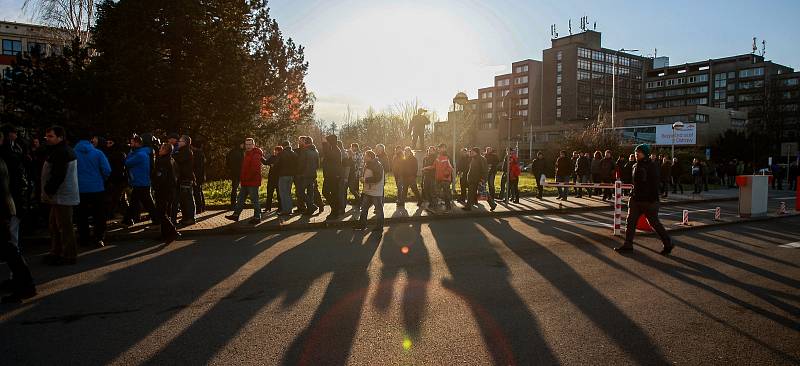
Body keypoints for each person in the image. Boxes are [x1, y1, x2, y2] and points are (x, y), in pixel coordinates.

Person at [615, 144, 673, 255]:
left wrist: (652, 198)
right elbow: (635, 182)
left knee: (654, 223)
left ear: (645, 154)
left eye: (639, 153)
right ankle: (628, 245)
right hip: (636, 199)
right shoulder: (635, 165)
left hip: (648, 201)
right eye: (636, 152)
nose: (636, 154)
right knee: (630, 222)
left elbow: (655, 183)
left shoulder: (652, 165)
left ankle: (668, 243)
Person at [0, 139, 36, 303]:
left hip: (4, 209)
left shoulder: (8, 158)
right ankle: (24, 285)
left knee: (9, 248)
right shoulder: (6, 157)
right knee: (9, 248)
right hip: (7, 207)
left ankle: (25, 286)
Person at [41, 126, 80, 266]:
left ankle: (68, 255)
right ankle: (56, 252)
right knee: (55, 225)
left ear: (60, 137)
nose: (47, 139)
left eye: (51, 136)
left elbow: (58, 175)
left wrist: (48, 189)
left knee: (64, 226)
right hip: (59, 195)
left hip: (62, 195)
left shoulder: (61, 152)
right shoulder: (59, 150)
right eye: (47, 136)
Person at [74, 134, 111, 249]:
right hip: (97, 188)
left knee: (81, 216)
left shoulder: (73, 153)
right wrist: (101, 179)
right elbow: (107, 170)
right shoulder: (98, 153)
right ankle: (99, 238)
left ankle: (84, 239)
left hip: (80, 189)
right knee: (99, 215)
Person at [122, 134, 159, 227]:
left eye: (132, 143)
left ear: (138, 143)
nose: (130, 145)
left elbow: (127, 162)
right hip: (141, 181)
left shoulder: (140, 154)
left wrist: (130, 153)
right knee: (137, 202)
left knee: (146, 203)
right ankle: (127, 220)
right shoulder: (143, 153)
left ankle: (157, 219)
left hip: (140, 182)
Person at [226, 138, 263, 224]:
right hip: (246, 182)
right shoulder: (247, 154)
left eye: (250, 144)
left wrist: (246, 178)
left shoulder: (256, 154)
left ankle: (257, 217)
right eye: (247, 144)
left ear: (253, 145)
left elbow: (255, 170)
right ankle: (236, 215)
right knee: (240, 199)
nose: (248, 146)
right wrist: (243, 179)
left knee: (254, 200)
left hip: (252, 182)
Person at [152, 143, 180, 243]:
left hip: (163, 190)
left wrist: (156, 185)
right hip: (171, 190)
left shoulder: (161, 161)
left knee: (161, 212)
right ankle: (165, 235)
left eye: (162, 148)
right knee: (166, 212)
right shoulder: (171, 159)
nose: (159, 149)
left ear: (166, 150)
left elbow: (160, 176)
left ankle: (172, 231)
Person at [354, 150, 384, 232]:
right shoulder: (369, 164)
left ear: (370, 157)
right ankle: (362, 225)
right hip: (368, 191)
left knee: (378, 210)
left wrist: (365, 180)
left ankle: (379, 227)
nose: (363, 157)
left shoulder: (377, 165)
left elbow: (378, 178)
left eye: (365, 156)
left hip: (375, 192)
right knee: (364, 209)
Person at [173, 135, 196, 225]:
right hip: (182, 178)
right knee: (183, 200)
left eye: (180, 141)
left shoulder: (186, 152)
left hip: (186, 178)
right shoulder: (182, 151)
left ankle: (190, 218)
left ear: (185, 143)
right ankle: (185, 217)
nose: (178, 142)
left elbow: (178, 159)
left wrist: (173, 153)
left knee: (188, 199)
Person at [103, 137, 128, 219]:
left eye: (110, 143)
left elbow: (121, 168)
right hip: (115, 179)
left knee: (116, 198)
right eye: (107, 142)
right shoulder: (108, 154)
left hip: (118, 179)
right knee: (119, 198)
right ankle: (127, 214)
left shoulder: (119, 154)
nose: (108, 144)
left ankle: (125, 215)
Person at [296, 137, 320, 215]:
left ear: (305, 142)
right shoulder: (316, 151)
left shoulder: (305, 151)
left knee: (300, 191)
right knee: (310, 193)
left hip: (305, 175)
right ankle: (310, 209)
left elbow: (301, 164)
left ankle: (312, 206)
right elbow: (318, 165)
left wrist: (299, 173)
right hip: (313, 174)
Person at [322, 135, 343, 219]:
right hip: (329, 176)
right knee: (328, 193)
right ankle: (335, 210)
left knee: (331, 193)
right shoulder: (332, 149)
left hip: (334, 176)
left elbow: (329, 155)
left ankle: (335, 211)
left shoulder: (336, 150)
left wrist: (324, 144)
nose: (327, 142)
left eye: (328, 141)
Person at [262, 146, 282, 214]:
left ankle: (280, 208)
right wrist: (260, 157)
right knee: (269, 193)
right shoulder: (272, 157)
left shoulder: (281, 158)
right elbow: (265, 162)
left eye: (277, 151)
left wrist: (274, 165)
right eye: (275, 150)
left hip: (278, 179)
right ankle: (268, 208)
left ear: (280, 151)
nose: (275, 152)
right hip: (271, 179)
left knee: (279, 194)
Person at [434, 143, 454, 211]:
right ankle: (437, 207)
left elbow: (451, 167)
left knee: (446, 193)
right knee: (437, 192)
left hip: (445, 179)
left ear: (445, 148)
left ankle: (448, 207)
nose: (440, 149)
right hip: (438, 178)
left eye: (441, 148)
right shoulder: (438, 156)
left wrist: (446, 174)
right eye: (439, 148)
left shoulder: (448, 156)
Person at [225, 142, 244, 208]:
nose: (243, 145)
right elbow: (243, 163)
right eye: (242, 144)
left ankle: (233, 203)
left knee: (234, 188)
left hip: (233, 173)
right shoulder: (240, 153)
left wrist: (230, 168)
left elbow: (227, 162)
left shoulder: (231, 152)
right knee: (243, 188)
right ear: (239, 145)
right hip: (240, 173)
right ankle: (239, 203)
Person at [191, 139, 206, 214]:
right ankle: (202, 207)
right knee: (199, 191)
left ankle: (199, 208)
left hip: (197, 176)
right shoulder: (201, 153)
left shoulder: (196, 154)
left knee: (196, 192)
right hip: (201, 175)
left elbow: (195, 166)